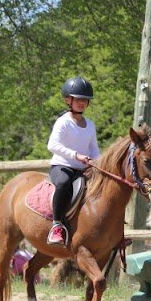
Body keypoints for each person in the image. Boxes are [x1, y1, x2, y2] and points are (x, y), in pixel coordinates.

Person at [46, 76, 101, 246]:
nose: (82, 103)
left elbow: (94, 148)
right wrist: (76, 156)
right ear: (67, 100)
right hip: (62, 166)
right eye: (78, 99)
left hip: (84, 169)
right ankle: (56, 226)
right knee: (63, 183)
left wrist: (97, 163)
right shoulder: (63, 122)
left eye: (85, 100)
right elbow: (52, 145)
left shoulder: (90, 124)